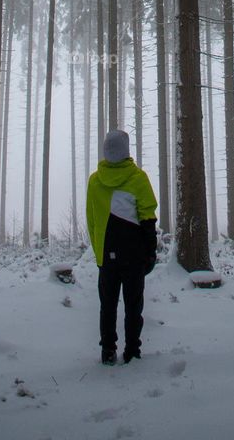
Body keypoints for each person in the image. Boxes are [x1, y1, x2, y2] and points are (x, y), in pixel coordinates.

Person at [86, 129, 158, 365]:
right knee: (133, 305)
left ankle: (108, 350)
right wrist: (150, 252)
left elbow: (92, 220)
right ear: (126, 150)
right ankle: (132, 351)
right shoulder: (138, 178)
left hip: (106, 255)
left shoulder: (95, 181)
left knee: (107, 305)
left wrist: (99, 253)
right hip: (133, 254)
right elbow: (148, 217)